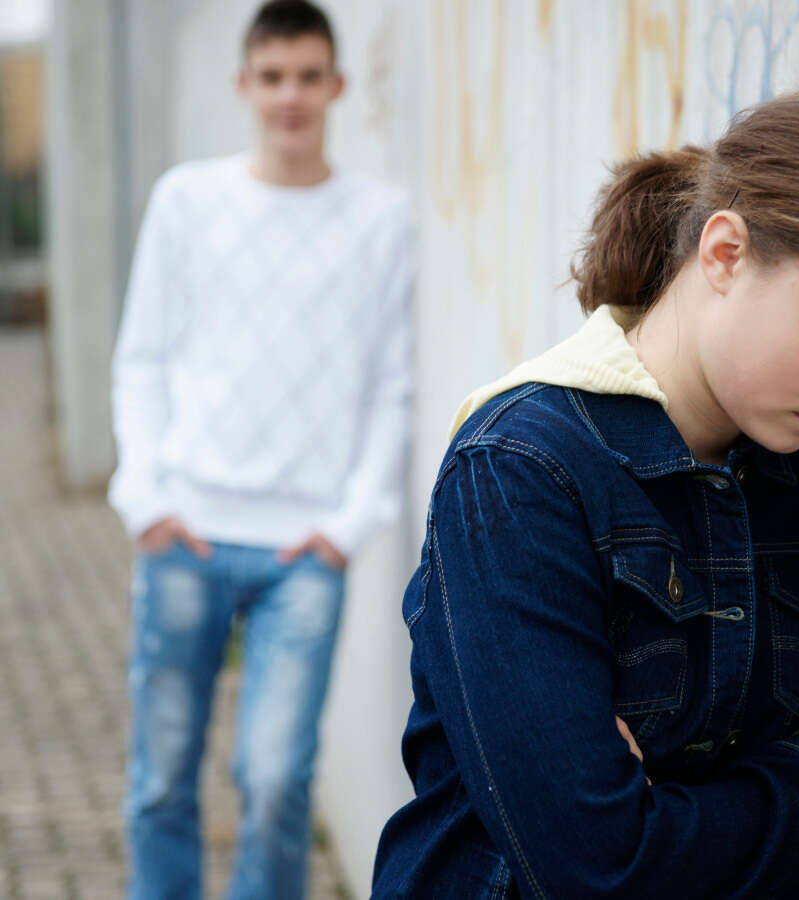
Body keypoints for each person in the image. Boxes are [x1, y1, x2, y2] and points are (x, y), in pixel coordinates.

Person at [370, 86, 799, 899]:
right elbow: (596, 869)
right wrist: (797, 784)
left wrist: (658, 813)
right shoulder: (522, 469)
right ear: (724, 254)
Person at [109, 1, 415, 897]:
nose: (291, 97)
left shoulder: (382, 218)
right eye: (273, 77)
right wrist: (146, 499)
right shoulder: (187, 200)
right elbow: (142, 358)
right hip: (186, 532)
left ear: (338, 86)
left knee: (277, 780)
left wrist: (349, 525)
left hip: (303, 553)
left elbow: (390, 386)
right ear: (244, 84)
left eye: (308, 78)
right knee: (161, 777)